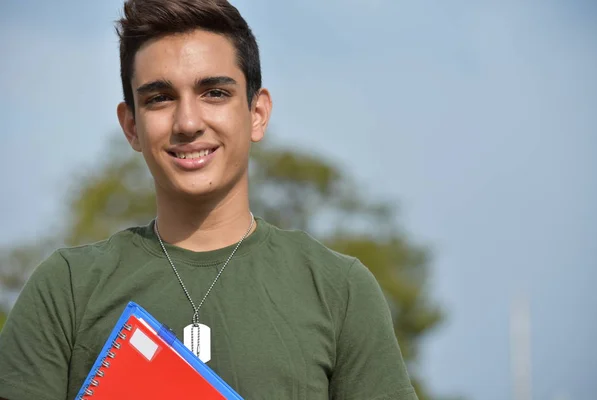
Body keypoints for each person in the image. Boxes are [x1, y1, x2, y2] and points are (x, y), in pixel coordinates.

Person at [0, 1, 418, 399]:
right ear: (131, 127)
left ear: (257, 113)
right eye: (159, 98)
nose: (187, 122)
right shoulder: (67, 288)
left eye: (214, 93)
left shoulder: (337, 289)